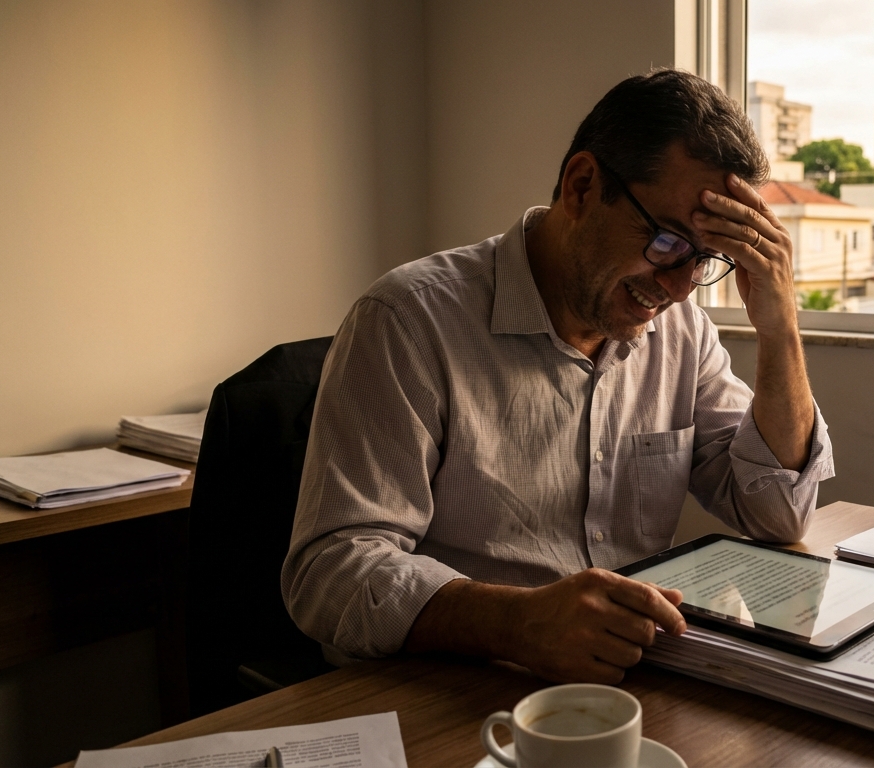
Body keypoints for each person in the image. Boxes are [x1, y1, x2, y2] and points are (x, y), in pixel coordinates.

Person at [282, 69, 834, 684]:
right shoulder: (410, 321)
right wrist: (516, 623)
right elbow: (330, 572)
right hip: (450, 686)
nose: (681, 288)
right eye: (668, 242)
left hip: (620, 682)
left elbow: (777, 514)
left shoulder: (683, 333)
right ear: (582, 186)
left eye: (706, 259)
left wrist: (780, 328)